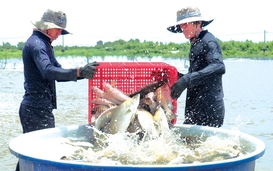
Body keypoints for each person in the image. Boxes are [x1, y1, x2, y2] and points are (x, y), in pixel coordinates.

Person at [15, 9, 99, 171]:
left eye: (62, 30)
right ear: (46, 27)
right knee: (39, 154)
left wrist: (83, 73)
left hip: (38, 108)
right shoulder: (38, 45)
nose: (60, 33)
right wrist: (79, 72)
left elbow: (57, 72)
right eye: (58, 29)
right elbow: (48, 71)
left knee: (32, 154)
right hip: (36, 109)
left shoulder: (44, 44)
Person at [167, 6, 226, 128]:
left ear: (198, 23)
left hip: (209, 108)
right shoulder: (196, 42)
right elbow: (199, 75)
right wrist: (178, 77)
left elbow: (219, 66)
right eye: (181, 25)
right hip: (195, 107)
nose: (182, 28)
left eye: (185, 24)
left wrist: (187, 80)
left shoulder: (208, 41)